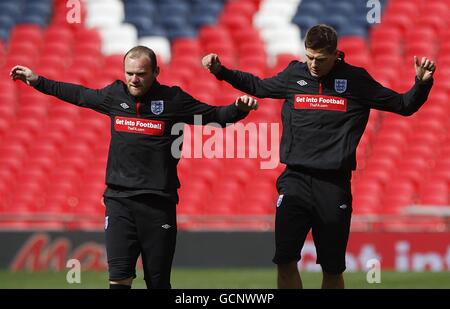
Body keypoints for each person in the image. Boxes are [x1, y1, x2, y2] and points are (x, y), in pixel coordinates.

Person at [202, 24, 436, 289]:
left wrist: (422, 84)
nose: (313, 64)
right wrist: (221, 71)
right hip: (295, 181)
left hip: (333, 186)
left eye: (321, 59)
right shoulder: (294, 75)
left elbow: (403, 105)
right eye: (309, 57)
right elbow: (258, 86)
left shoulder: (356, 81)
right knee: (285, 259)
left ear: (337, 55)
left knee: (332, 269)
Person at [10, 46, 258, 289]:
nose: (134, 79)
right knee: (118, 280)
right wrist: (37, 80)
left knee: (158, 283)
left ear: (156, 72)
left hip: (158, 205)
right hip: (119, 202)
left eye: (141, 73)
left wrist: (239, 109)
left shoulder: (174, 100)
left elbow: (215, 116)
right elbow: (79, 94)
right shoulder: (114, 96)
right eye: (129, 73)